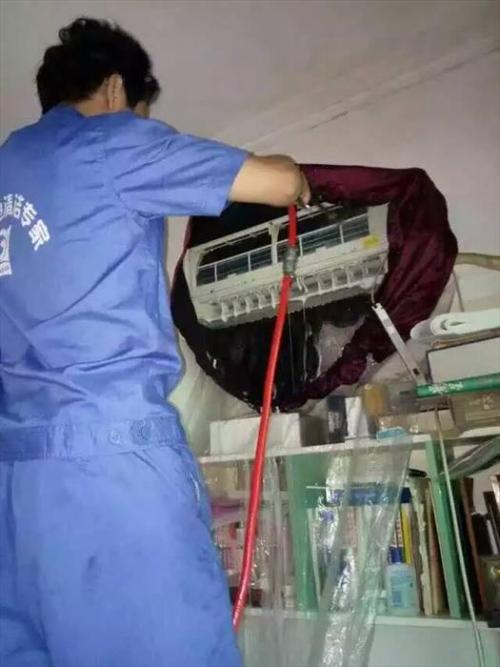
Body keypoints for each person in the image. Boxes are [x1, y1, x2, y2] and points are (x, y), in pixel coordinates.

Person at [0, 17, 310, 667]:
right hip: (112, 463)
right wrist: (297, 174)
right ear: (116, 89)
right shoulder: (109, 140)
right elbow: (279, 184)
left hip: (14, 484)